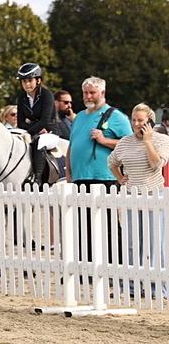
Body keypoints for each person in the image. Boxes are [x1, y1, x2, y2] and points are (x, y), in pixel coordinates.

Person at [66, 76, 133, 268]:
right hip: (80, 177)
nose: (88, 96)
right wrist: (69, 173)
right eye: (85, 93)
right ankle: (87, 265)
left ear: (102, 93)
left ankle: (116, 265)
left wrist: (104, 141)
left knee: (108, 224)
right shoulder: (79, 117)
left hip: (104, 177)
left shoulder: (116, 116)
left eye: (92, 93)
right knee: (83, 224)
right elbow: (72, 146)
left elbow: (130, 144)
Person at [107, 104, 169, 295]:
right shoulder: (125, 141)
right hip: (131, 196)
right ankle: (131, 286)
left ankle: (157, 288)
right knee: (132, 243)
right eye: (133, 120)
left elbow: (156, 163)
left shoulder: (162, 139)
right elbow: (111, 162)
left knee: (155, 243)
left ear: (149, 120)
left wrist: (148, 141)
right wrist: (120, 178)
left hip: (153, 195)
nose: (136, 124)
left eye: (140, 120)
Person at [15, 63, 56, 186]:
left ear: (38, 80)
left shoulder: (47, 94)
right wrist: (33, 130)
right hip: (33, 131)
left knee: (40, 141)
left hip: (50, 131)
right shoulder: (21, 98)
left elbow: (45, 120)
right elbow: (21, 122)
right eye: (24, 81)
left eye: (30, 81)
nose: (27, 84)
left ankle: (37, 178)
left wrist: (30, 130)